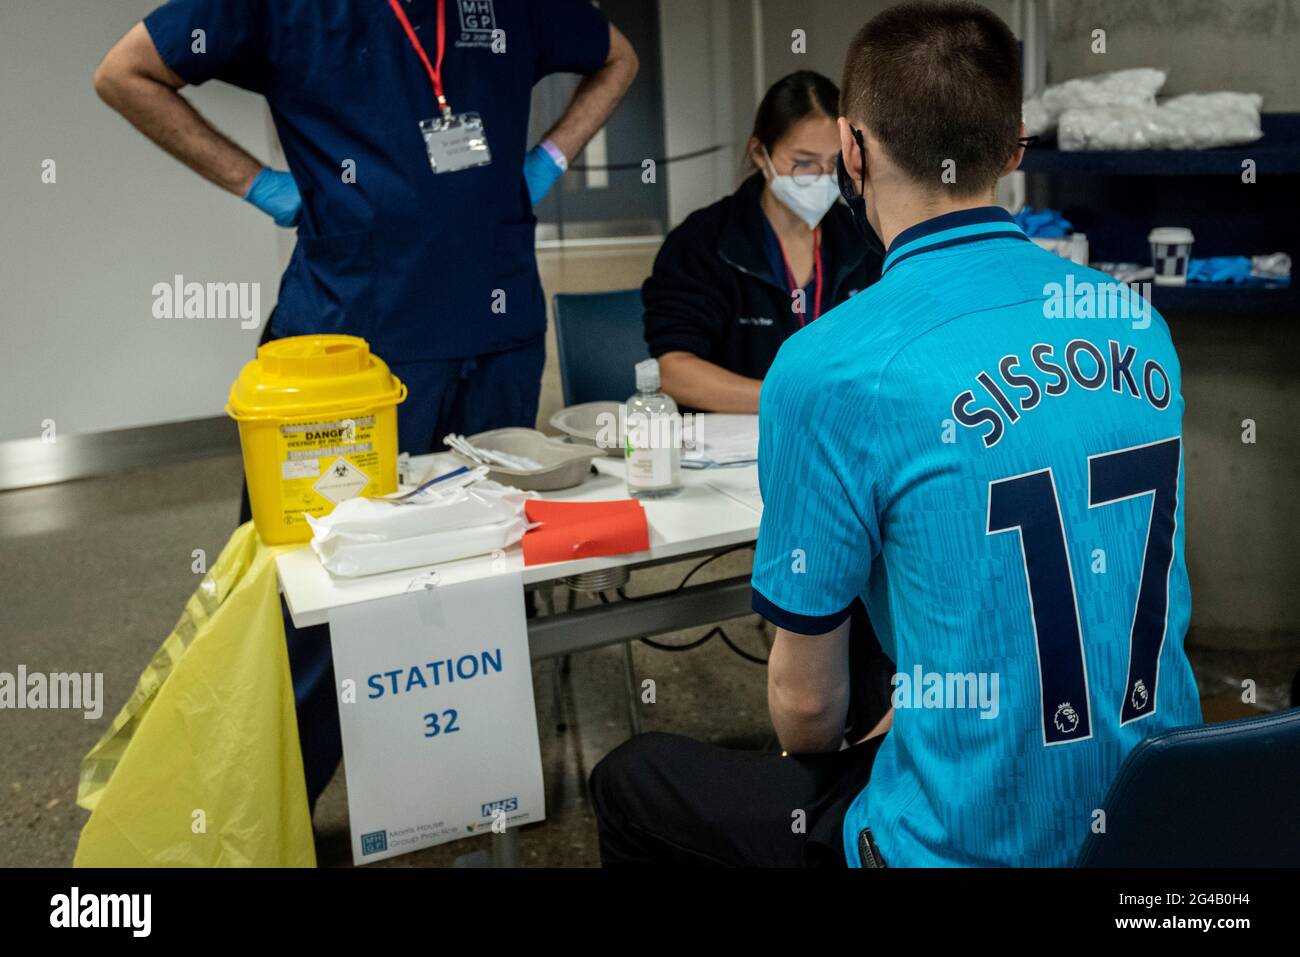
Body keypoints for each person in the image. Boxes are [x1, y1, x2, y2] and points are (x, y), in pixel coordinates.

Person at [591, 0, 1202, 867]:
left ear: (852, 148)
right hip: (1163, 825)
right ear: (1014, 148)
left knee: (634, 775)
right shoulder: (1135, 324)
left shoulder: (828, 364)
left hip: (962, 846)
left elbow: (805, 717)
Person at [94, 0, 637, 809]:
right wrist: (264, 187)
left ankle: (461, 805)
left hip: (497, 338)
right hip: (349, 353)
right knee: (308, 607)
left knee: (480, 581)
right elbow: (125, 73)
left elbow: (617, 56)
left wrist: (551, 157)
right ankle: (258, 814)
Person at [642, 71, 882, 414]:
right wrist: (792, 400)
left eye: (835, 163)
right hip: (732, 445)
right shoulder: (702, 243)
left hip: (836, 434)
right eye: (803, 163)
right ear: (760, 154)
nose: (823, 178)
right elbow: (675, 372)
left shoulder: (861, 239)